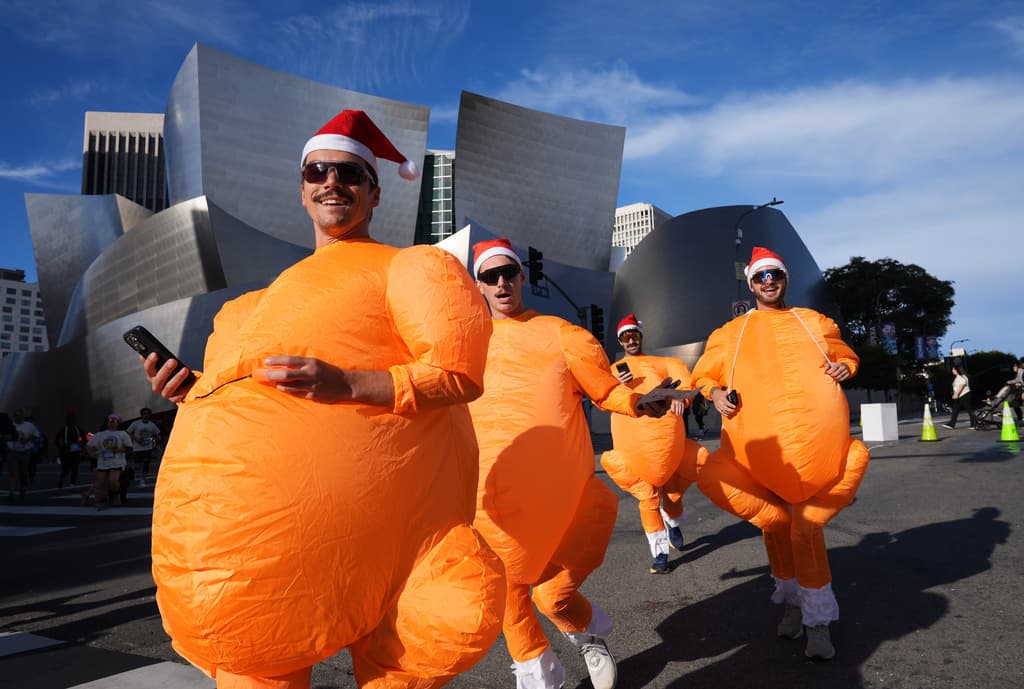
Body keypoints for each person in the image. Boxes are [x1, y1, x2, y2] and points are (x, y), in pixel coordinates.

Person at [140, 109, 504, 689]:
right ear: (302, 189)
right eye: (318, 172)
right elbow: (247, 404)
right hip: (254, 577)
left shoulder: (413, 265)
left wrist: (349, 384)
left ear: (375, 193)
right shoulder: (246, 307)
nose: (332, 182)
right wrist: (193, 392)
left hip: (384, 557)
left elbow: (456, 373)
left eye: (350, 173)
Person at [467, 239, 688, 689]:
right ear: (479, 285)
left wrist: (637, 402)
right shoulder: (466, 343)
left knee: (552, 596)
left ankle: (587, 634)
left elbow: (604, 389)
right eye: (490, 276)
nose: (501, 283)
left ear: (522, 276)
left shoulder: (560, 333)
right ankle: (539, 677)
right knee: (507, 592)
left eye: (508, 272)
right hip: (490, 501)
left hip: (560, 499)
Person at [691, 246, 870, 661]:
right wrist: (715, 394)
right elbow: (703, 375)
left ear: (786, 279)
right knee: (774, 528)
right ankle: (791, 604)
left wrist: (846, 365)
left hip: (817, 453)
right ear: (751, 283)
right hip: (760, 457)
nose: (768, 281)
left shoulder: (814, 321)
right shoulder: (731, 332)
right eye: (760, 276)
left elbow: (844, 354)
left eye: (775, 274)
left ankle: (818, 623)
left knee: (806, 531)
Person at [599, 313, 709, 575]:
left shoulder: (666, 362)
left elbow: (685, 382)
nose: (631, 341)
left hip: (671, 447)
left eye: (634, 335)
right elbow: (599, 397)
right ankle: (660, 554)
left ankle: (673, 521)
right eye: (625, 338)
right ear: (620, 342)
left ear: (641, 336)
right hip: (634, 452)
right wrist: (616, 385)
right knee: (647, 499)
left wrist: (681, 397)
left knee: (674, 490)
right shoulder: (613, 371)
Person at [85, 414, 132, 509]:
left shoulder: (122, 434)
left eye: (114, 421)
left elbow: (129, 448)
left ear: (118, 423)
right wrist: (91, 454)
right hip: (103, 462)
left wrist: (118, 450)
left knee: (113, 481)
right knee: (100, 483)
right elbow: (89, 446)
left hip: (117, 462)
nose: (111, 423)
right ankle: (97, 501)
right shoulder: (100, 434)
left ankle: (116, 495)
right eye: (110, 421)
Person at [5, 408, 40, 503]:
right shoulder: (9, 426)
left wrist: (27, 439)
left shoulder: (29, 425)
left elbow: (37, 435)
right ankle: (11, 493)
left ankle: (23, 486)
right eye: (16, 415)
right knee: (12, 472)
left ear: (23, 416)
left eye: (19, 415)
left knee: (23, 472)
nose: (17, 417)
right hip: (12, 452)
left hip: (25, 452)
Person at [126, 407, 161, 485]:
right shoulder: (136, 423)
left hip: (148, 448)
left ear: (149, 415)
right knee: (137, 466)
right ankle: (130, 474)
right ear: (141, 415)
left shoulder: (152, 425)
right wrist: (135, 438)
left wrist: (157, 439)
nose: (146, 415)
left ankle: (143, 480)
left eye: (148, 414)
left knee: (146, 463)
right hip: (137, 448)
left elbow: (157, 433)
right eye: (144, 414)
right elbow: (128, 432)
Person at [55, 410, 87, 489]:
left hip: (75, 452)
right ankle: (61, 478)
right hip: (65, 452)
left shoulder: (79, 430)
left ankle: (72, 485)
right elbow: (57, 440)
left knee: (75, 469)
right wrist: (63, 447)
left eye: (73, 419)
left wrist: (81, 446)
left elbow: (85, 439)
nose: (71, 421)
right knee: (66, 469)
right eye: (69, 419)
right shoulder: (63, 430)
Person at [943, 364, 977, 429]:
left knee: (968, 409)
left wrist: (956, 394)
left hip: (964, 395)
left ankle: (974, 423)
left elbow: (962, 384)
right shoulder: (960, 376)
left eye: (953, 369)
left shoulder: (961, 377)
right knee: (956, 410)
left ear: (957, 370)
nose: (952, 371)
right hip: (961, 395)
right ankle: (951, 424)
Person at [1005, 359, 1023, 424]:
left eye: (1014, 367)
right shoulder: (1018, 373)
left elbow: (1020, 381)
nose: (1013, 368)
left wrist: (1021, 385)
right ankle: (1020, 418)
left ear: (1017, 366)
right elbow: (1017, 380)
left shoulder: (1022, 372)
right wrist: (1009, 382)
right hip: (1019, 391)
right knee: (1015, 403)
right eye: (1013, 367)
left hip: (1022, 391)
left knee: (1015, 402)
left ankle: (1020, 418)